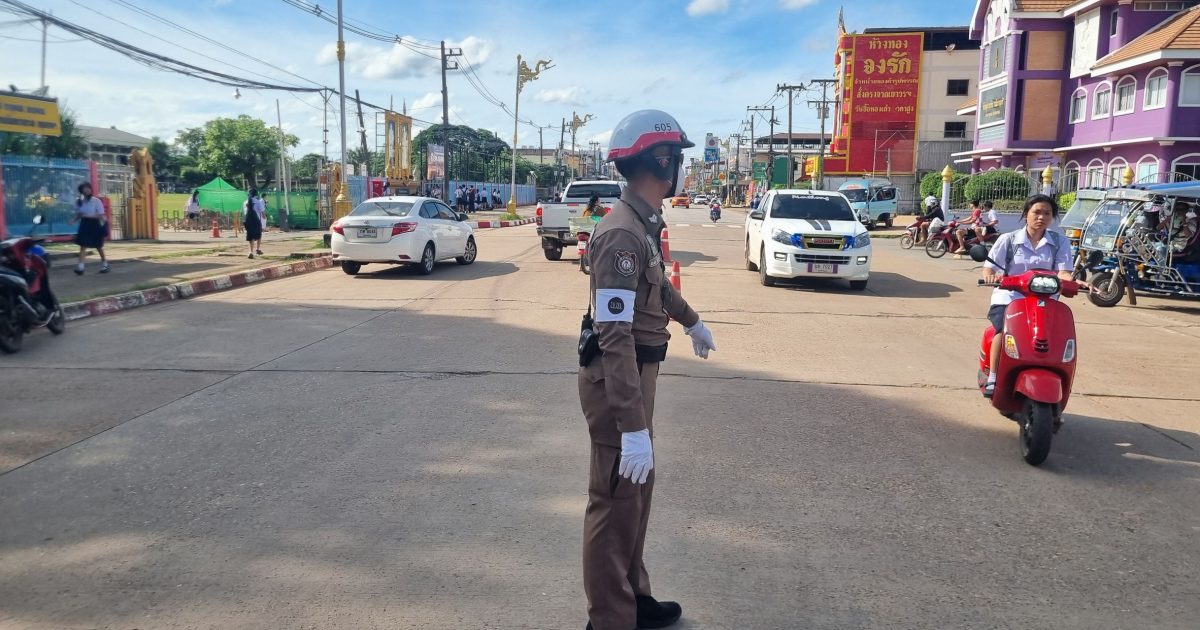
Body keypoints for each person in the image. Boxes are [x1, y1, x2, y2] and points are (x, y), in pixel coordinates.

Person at [579, 109, 716, 630]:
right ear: (661, 161)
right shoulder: (620, 233)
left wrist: (692, 320)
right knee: (614, 501)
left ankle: (633, 598)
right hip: (620, 381)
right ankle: (608, 620)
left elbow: (657, 289)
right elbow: (613, 334)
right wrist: (632, 426)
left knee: (634, 495)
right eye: (676, 158)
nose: (679, 167)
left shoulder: (643, 222)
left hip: (638, 378)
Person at [981, 195, 1075, 397]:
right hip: (1010, 296)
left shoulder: (1060, 242)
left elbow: (1064, 272)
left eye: (1047, 213)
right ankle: (993, 377)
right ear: (1026, 214)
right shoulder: (1008, 239)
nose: (1041, 217)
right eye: (1037, 212)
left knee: (1059, 336)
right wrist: (991, 277)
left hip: (1046, 299)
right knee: (1002, 331)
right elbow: (989, 268)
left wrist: (1074, 281)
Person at [70, 182, 109, 275]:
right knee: (83, 245)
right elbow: (79, 214)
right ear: (81, 191)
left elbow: (101, 215)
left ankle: (105, 264)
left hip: (95, 225)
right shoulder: (79, 202)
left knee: (98, 246)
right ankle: (81, 268)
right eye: (84, 188)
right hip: (84, 225)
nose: (87, 190)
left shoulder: (96, 201)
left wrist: (88, 215)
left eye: (88, 188)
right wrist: (73, 220)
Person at [243, 188, 264, 259]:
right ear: (256, 194)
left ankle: (250, 252)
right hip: (256, 220)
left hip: (248, 220)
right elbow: (262, 212)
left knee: (250, 235)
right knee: (259, 234)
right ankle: (257, 249)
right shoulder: (258, 202)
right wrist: (264, 217)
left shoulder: (245, 202)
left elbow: (245, 213)